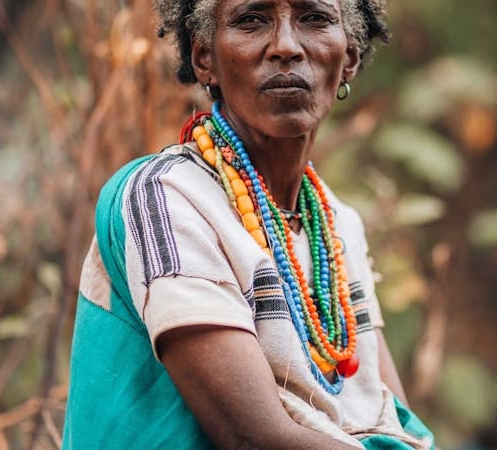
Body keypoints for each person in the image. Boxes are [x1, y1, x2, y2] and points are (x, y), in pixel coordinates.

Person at [63, 0, 434, 448]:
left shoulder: (336, 224)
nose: (285, 46)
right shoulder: (165, 197)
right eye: (251, 19)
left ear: (350, 56)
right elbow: (255, 438)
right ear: (205, 59)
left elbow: (394, 418)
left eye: (314, 18)